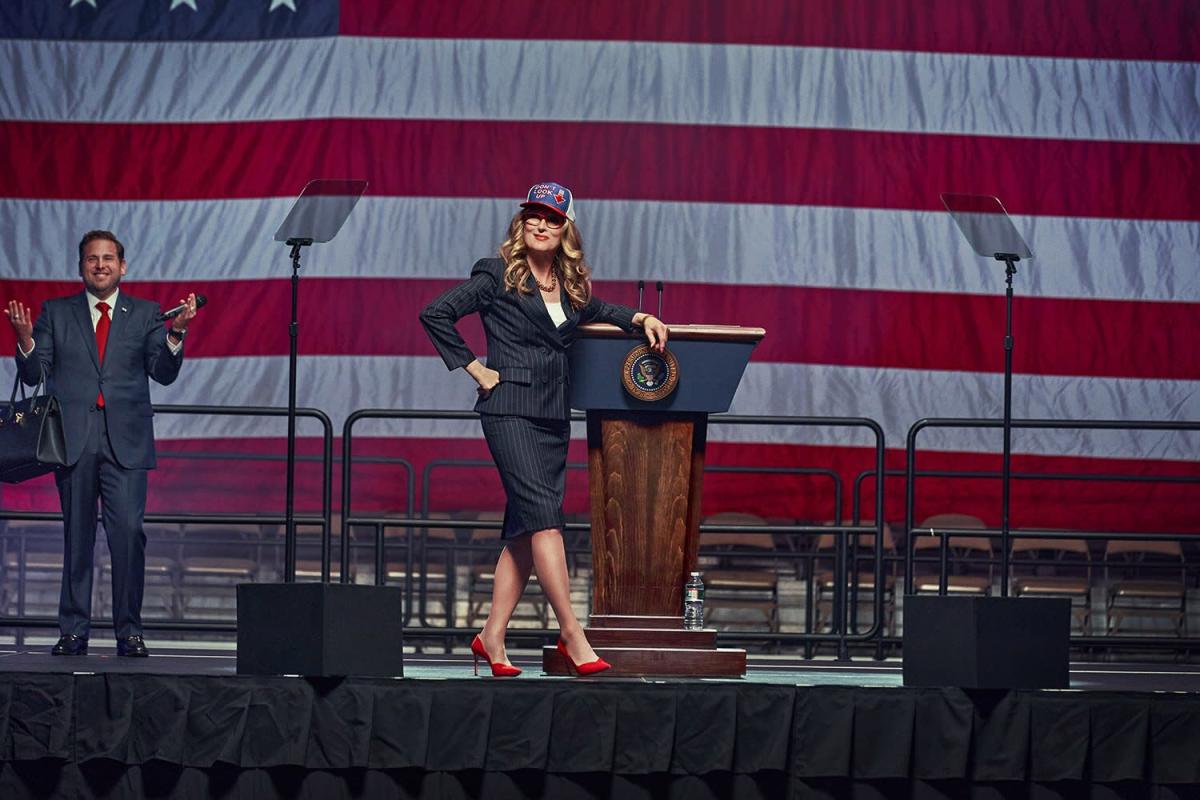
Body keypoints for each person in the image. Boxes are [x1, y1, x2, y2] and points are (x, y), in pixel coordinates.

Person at [420, 182, 668, 677]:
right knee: (546, 522)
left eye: (552, 218)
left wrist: (640, 316)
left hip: (554, 416)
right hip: (508, 409)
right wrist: (475, 368)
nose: (540, 224)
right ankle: (573, 634)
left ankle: (491, 636)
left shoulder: (571, 285)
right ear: (521, 222)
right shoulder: (495, 274)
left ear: (565, 230)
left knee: (521, 534)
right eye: (533, 215)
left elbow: (599, 312)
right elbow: (437, 313)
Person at [4, 230, 199, 657]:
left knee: (128, 535)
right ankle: (73, 630)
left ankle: (129, 631)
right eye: (92, 258)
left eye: (108, 258)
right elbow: (36, 374)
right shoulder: (56, 313)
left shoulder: (147, 314)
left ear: (122, 266)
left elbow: (162, 373)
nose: (100, 265)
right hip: (72, 443)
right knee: (78, 538)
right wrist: (24, 340)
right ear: (81, 267)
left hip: (126, 443)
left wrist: (176, 334)